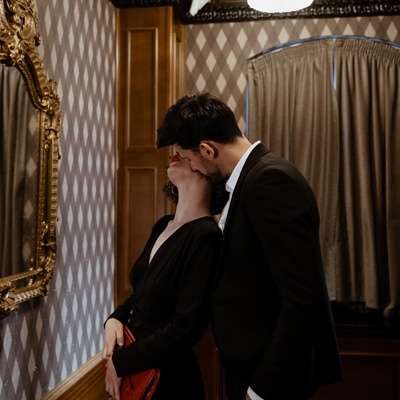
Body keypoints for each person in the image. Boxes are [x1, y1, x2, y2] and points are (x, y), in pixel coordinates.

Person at [157, 93, 342, 400]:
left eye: (188, 158)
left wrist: (260, 390)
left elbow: (301, 300)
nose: (193, 167)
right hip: (248, 365)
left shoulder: (270, 181)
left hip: (270, 375)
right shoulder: (245, 181)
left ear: (207, 149)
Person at [102, 153, 224, 400]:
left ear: (206, 168)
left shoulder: (207, 237)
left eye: (186, 151)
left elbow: (185, 329)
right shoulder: (163, 224)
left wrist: (121, 362)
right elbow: (141, 293)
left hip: (169, 380)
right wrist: (115, 318)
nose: (174, 154)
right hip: (136, 370)